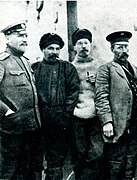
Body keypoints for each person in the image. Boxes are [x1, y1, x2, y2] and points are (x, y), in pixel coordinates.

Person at [31, 33, 80, 180]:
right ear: (42, 49)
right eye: (50, 48)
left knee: (56, 161)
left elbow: (73, 91)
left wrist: (65, 114)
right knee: (35, 159)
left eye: (57, 48)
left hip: (59, 121)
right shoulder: (34, 68)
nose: (54, 52)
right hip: (38, 120)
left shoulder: (67, 68)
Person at [95, 31, 137, 180]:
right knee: (116, 163)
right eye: (120, 47)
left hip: (135, 124)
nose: (124, 51)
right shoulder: (106, 69)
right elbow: (101, 97)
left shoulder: (133, 68)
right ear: (112, 49)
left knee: (130, 163)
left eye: (126, 47)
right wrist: (107, 122)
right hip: (117, 124)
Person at [0, 21, 42, 179]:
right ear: (8, 39)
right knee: (9, 172)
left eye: (26, 36)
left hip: (32, 128)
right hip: (12, 130)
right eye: (20, 36)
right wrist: (8, 113)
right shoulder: (1, 62)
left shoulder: (26, 61)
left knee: (30, 171)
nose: (25, 39)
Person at [71, 28, 105, 180]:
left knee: (97, 152)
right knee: (79, 153)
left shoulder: (101, 65)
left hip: (97, 116)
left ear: (91, 45)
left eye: (86, 42)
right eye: (80, 43)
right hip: (78, 116)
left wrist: (98, 81)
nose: (83, 46)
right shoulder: (70, 67)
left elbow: (108, 89)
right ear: (74, 47)